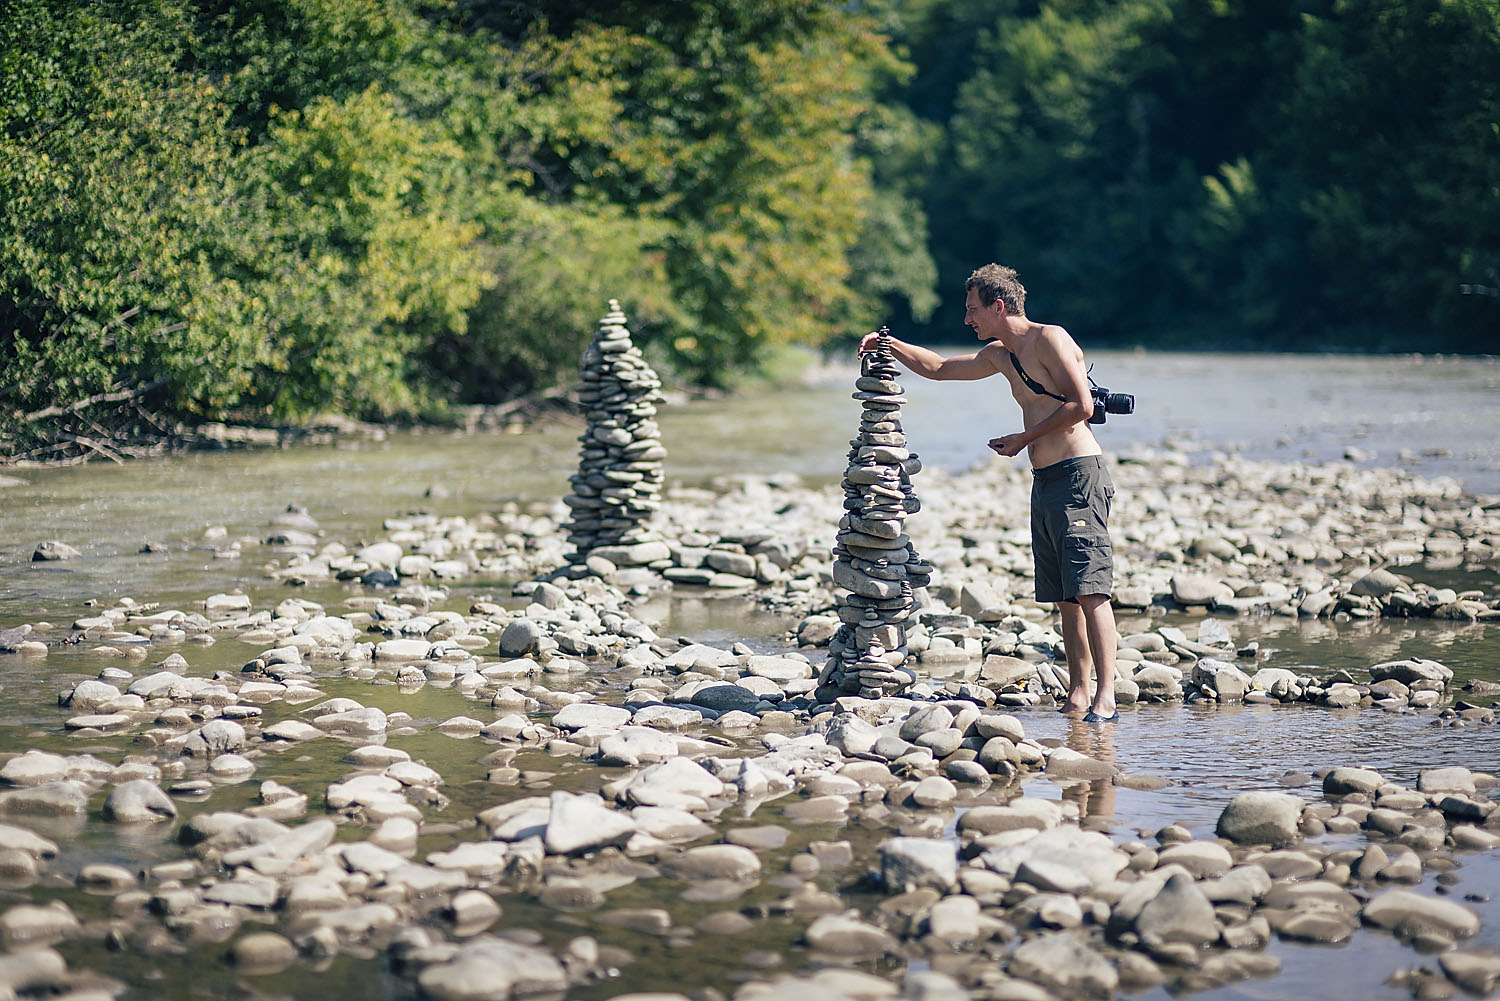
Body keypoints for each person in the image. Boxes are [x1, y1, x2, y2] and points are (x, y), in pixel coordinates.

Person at [858, 263, 1120, 722]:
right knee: (1065, 596)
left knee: (1091, 590)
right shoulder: (1002, 355)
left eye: (972, 309)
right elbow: (939, 369)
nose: (967, 320)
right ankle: (1079, 694)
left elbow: (1084, 405)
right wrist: (888, 343)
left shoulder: (1050, 339)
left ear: (999, 307)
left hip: (1080, 474)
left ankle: (1106, 697)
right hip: (1046, 482)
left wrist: (1022, 439)